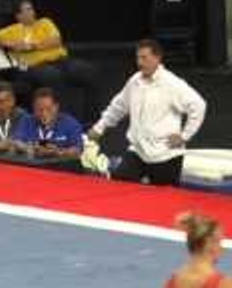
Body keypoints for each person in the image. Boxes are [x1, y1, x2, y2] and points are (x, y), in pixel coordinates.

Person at [88, 39, 206, 187]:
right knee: (119, 185)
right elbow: (117, 107)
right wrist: (99, 127)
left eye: (144, 58)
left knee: (165, 201)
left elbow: (199, 105)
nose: (139, 62)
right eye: (138, 57)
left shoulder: (172, 83)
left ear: (157, 58)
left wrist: (184, 136)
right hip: (138, 151)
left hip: (165, 155)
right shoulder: (134, 81)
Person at [0, 0, 101, 122]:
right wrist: (10, 44)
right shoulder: (13, 30)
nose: (32, 12)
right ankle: (62, 123)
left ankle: (92, 120)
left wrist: (32, 46)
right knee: (53, 77)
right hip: (35, 66)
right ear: (18, 16)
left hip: (61, 60)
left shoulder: (45, 23)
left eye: (32, 9)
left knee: (89, 72)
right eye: (27, 10)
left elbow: (56, 40)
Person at [14, 87, 84, 160]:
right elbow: (16, 142)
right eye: (39, 109)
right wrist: (30, 148)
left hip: (59, 167)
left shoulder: (70, 123)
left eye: (49, 109)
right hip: (31, 166)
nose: (44, 113)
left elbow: (77, 150)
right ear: (33, 108)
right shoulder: (27, 120)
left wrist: (58, 152)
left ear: (56, 106)